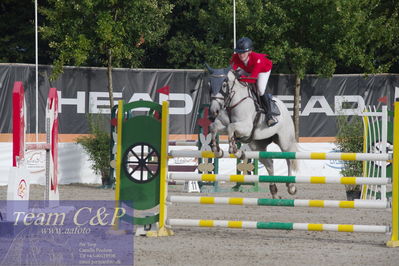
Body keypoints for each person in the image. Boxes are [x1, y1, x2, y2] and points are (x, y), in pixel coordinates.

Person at [230, 37, 277, 127]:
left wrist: (240, 78)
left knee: (260, 89)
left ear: (249, 51)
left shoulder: (258, 59)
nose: (240, 55)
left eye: (243, 52)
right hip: (248, 69)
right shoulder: (235, 57)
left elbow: (252, 79)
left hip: (263, 69)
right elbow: (231, 71)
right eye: (239, 52)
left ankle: (269, 115)